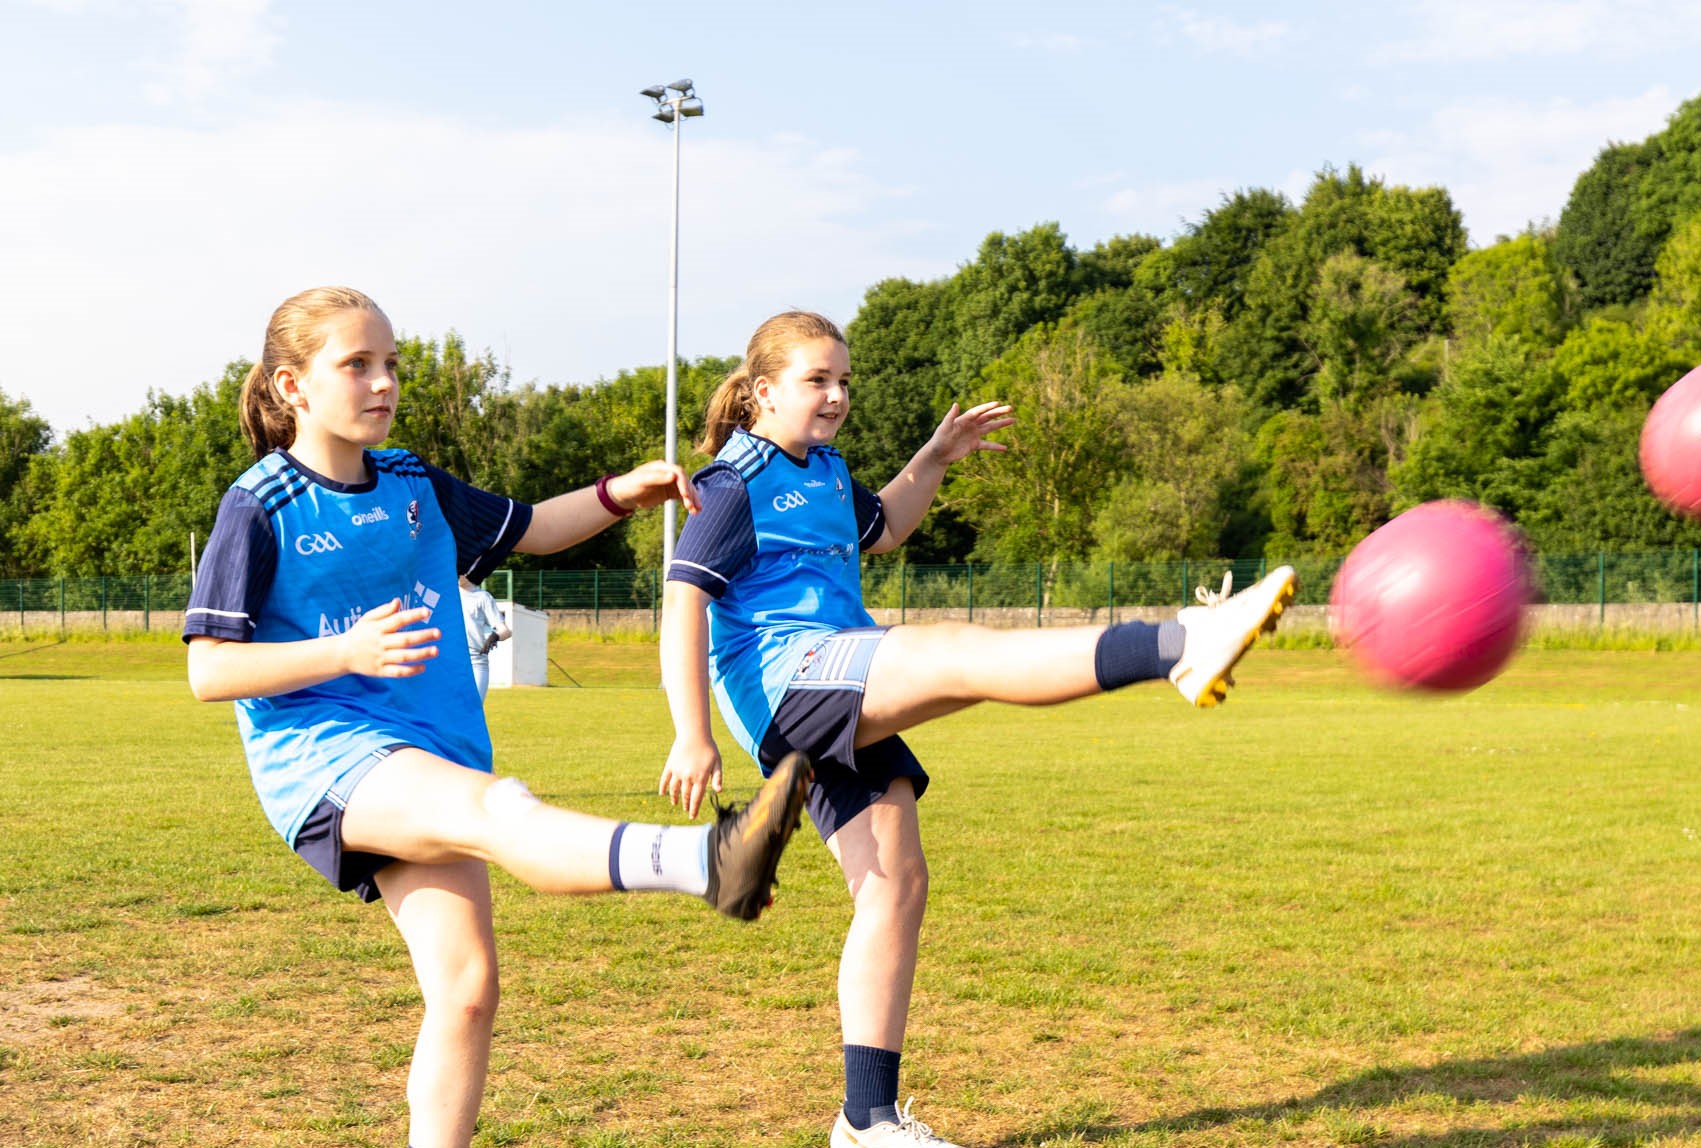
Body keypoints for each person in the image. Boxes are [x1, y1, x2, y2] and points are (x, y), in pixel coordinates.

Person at [183, 286, 812, 1148]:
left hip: (432, 749)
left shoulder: (411, 482)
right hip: (325, 756)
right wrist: (344, 654)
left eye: (392, 365)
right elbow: (208, 669)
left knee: (468, 989)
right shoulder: (260, 505)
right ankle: (708, 860)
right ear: (291, 387)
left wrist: (622, 493)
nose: (383, 383)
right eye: (356, 365)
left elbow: (534, 528)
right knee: (499, 812)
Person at [656, 311, 1296, 1148]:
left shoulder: (821, 471)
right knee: (958, 653)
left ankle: (867, 1119)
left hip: (837, 669)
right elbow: (684, 598)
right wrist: (690, 733)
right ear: (763, 391)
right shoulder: (732, 482)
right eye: (818, 380)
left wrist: (932, 459)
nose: (839, 395)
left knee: (895, 884)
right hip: (785, 680)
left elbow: (884, 527)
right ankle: (1180, 643)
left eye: (845, 379)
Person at [457, 576, 513, 700]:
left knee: (472, 712)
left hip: (476, 663)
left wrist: (495, 636)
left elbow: (506, 631)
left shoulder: (483, 597)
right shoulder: (448, 594)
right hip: (451, 663)